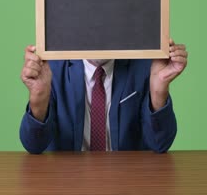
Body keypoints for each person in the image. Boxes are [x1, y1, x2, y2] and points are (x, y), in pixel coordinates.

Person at [19, 39, 188, 153]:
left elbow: (160, 144)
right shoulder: (52, 69)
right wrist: (38, 98)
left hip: (128, 182)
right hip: (68, 181)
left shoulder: (146, 66)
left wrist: (159, 90)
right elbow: (34, 146)